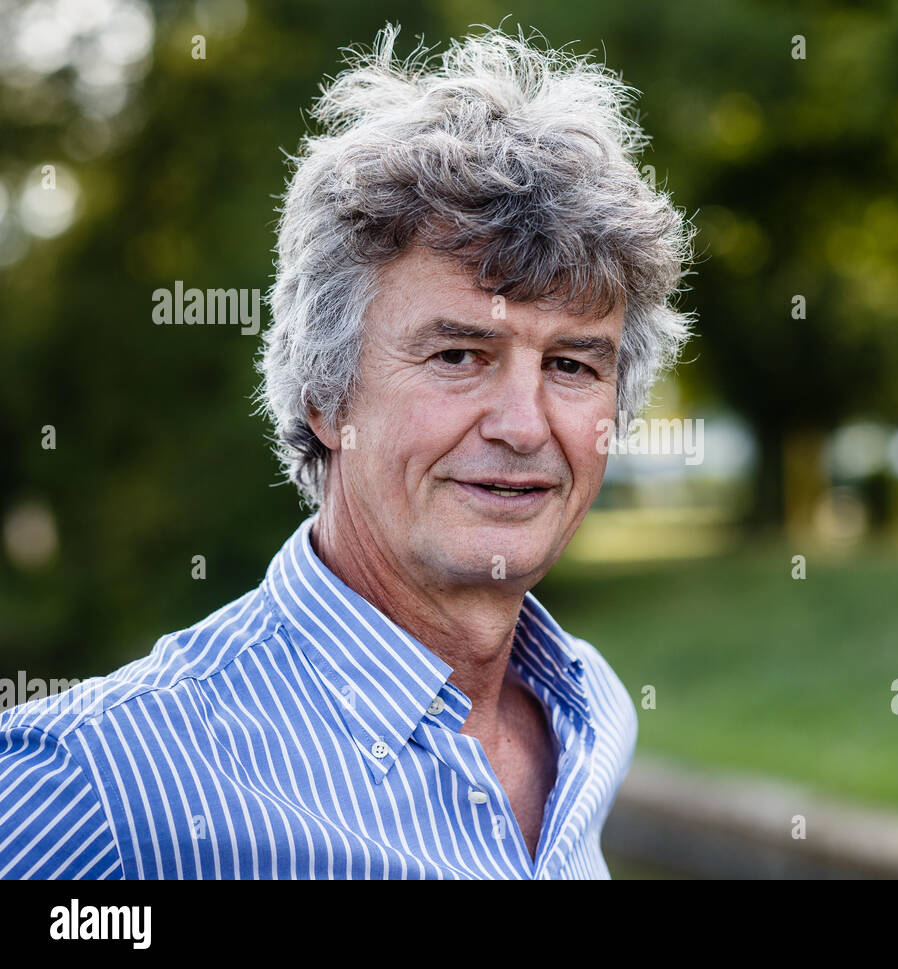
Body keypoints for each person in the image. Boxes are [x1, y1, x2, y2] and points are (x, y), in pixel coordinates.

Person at [0, 23, 695, 879]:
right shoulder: (104, 778)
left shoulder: (589, 711)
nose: (524, 424)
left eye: (571, 364)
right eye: (458, 356)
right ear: (325, 395)